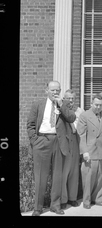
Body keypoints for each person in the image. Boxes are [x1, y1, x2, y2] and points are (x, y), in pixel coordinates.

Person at [27, 81, 76, 216]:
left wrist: (61, 105)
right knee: (41, 176)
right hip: (42, 141)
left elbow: (72, 118)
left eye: (58, 90)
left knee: (57, 176)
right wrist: (35, 141)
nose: (55, 92)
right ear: (46, 90)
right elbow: (30, 125)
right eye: (53, 90)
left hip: (58, 142)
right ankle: (38, 208)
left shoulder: (63, 104)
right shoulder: (38, 105)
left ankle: (55, 205)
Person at [77, 94, 102, 209]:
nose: (98, 107)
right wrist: (84, 151)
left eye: (100, 105)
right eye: (96, 105)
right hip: (90, 150)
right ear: (91, 104)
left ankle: (98, 198)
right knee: (89, 177)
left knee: (101, 176)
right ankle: (87, 200)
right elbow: (81, 134)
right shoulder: (84, 115)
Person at [61, 89, 84, 210]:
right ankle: (63, 199)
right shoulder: (60, 110)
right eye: (68, 98)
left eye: (73, 98)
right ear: (64, 98)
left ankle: (72, 198)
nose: (70, 100)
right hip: (65, 141)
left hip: (76, 141)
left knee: (74, 172)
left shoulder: (79, 111)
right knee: (65, 172)